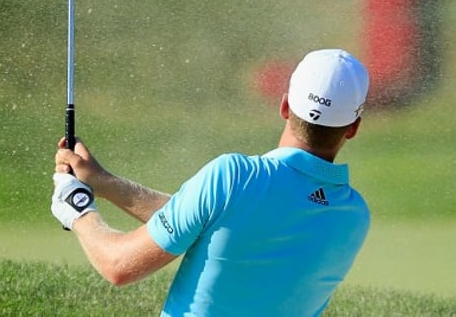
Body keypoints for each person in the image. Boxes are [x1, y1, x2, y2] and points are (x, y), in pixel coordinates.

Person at [51, 49, 372, 316]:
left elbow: (119, 266)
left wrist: (76, 208)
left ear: (285, 105)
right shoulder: (354, 215)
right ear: (353, 127)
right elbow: (210, 222)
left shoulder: (234, 177)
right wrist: (103, 182)